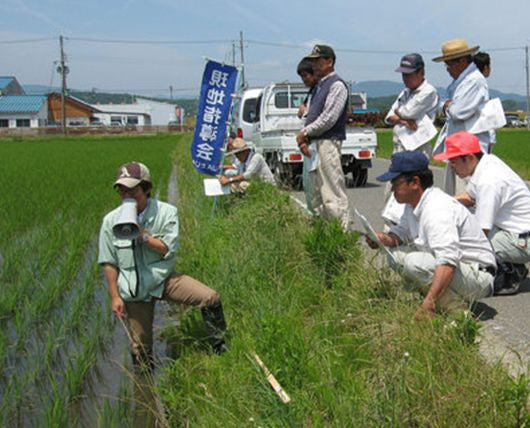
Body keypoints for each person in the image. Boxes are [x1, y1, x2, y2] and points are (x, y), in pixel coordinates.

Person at [98, 162, 228, 370]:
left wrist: (142, 234)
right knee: (141, 348)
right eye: (122, 189)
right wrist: (115, 296)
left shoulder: (167, 212)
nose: (126, 194)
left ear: (146, 188)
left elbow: (167, 248)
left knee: (210, 298)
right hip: (135, 289)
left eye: (132, 189)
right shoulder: (110, 221)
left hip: (163, 278)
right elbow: (109, 262)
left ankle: (221, 347)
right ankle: (144, 387)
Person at [366, 151, 496, 319]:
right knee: (395, 256)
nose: (392, 189)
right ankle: (445, 302)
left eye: (396, 183)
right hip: (459, 268)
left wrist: (429, 303)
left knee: (415, 263)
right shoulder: (413, 204)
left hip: (478, 275)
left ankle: (459, 314)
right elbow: (402, 233)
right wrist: (383, 239)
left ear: (415, 182)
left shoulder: (437, 210)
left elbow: (448, 261)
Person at [433, 131, 530, 294]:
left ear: (469, 157)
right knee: (464, 222)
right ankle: (510, 265)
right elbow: (470, 197)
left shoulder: (489, 181)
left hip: (522, 240)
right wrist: (443, 203)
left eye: (454, 161)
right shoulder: (486, 163)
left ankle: (508, 274)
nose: (451, 167)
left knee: (465, 239)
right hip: (514, 232)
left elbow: (480, 233)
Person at [296, 44, 350, 230]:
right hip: (315, 143)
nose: (315, 65)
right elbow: (310, 115)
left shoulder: (336, 85)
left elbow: (329, 118)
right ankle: (326, 230)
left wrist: (305, 132)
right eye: (313, 61)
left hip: (328, 141)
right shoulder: (319, 86)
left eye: (318, 61)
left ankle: (339, 232)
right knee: (317, 191)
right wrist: (305, 135)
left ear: (329, 61)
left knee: (332, 190)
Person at [382, 53, 439, 226]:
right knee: (391, 194)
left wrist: (400, 114)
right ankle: (393, 233)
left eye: (409, 74)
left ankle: (411, 233)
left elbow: (405, 111)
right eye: (403, 75)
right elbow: (388, 116)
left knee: (410, 195)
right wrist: (402, 120)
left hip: (416, 152)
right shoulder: (405, 92)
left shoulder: (428, 91)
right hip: (399, 150)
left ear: (421, 72)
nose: (405, 78)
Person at [432, 39, 493, 195]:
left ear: (463, 61)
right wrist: (447, 105)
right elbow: (444, 104)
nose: (447, 69)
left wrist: (446, 105)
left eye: (449, 64)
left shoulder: (474, 81)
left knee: (465, 198)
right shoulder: (462, 82)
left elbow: (458, 112)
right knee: (454, 197)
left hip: (468, 153)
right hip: (458, 149)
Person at [296, 57, 320, 214]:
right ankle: (314, 219)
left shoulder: (322, 90)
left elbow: (317, 116)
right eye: (302, 76)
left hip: (316, 144)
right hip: (307, 144)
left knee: (319, 188)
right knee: (308, 185)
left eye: (306, 76)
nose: (305, 80)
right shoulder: (312, 92)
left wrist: (305, 112)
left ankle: (323, 222)